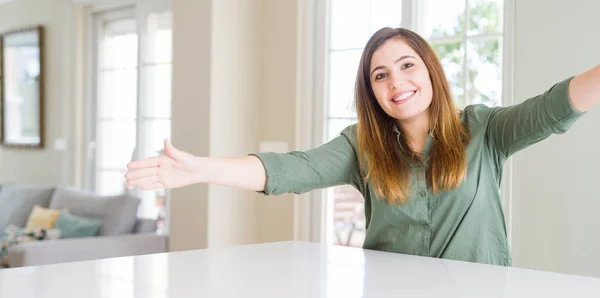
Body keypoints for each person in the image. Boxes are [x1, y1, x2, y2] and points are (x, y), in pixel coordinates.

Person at [125, 27, 599, 266]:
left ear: (430, 71)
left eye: (408, 65)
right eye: (380, 74)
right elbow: (293, 169)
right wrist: (201, 168)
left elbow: (556, 106)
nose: (397, 81)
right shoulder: (362, 146)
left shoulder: (485, 128)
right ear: (372, 91)